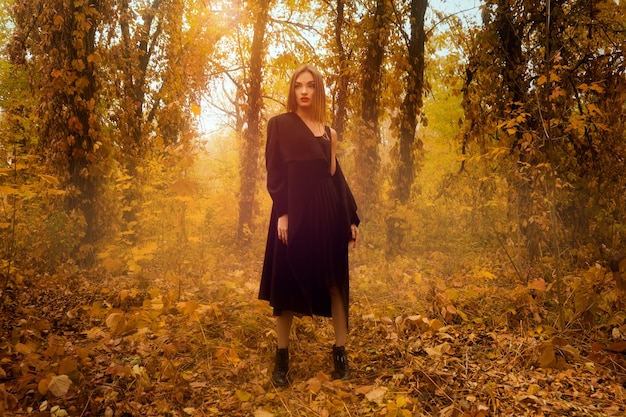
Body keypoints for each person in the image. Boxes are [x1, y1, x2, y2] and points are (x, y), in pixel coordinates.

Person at [259, 64, 360, 387]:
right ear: (292, 90)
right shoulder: (279, 125)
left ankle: (340, 353)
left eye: (310, 85)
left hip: (329, 213)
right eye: (298, 85)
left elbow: (335, 177)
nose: (304, 91)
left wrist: (351, 218)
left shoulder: (329, 132)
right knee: (286, 286)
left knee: (335, 285)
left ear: (318, 90)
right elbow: (274, 173)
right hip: (293, 216)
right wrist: (284, 212)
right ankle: (281, 360)